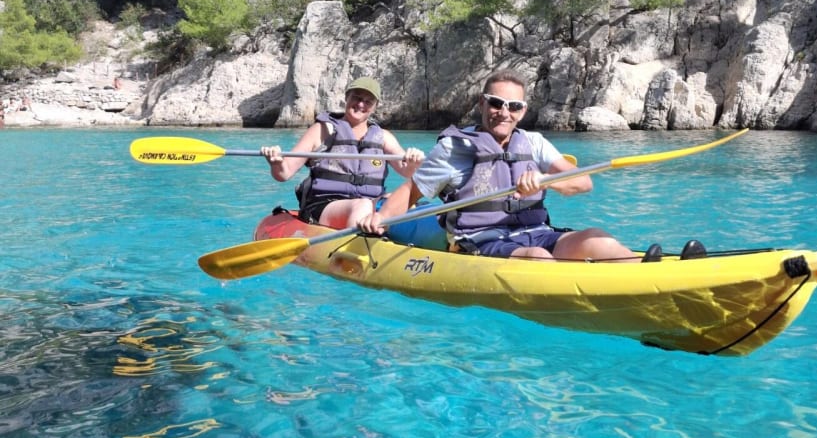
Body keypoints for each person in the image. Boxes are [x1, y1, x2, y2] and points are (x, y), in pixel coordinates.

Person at [360, 70, 706, 262]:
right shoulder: (455, 148)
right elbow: (411, 191)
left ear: (522, 111)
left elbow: (584, 184)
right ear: (482, 103)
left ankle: (644, 273)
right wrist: (381, 220)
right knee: (537, 257)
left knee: (597, 239)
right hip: (480, 240)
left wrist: (546, 182)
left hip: (535, 231)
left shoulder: (534, 143)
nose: (503, 112)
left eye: (513, 106)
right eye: (495, 103)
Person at [261, 77, 425, 229]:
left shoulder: (383, 137)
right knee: (362, 205)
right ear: (347, 98)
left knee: (406, 201)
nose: (361, 104)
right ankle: (363, 248)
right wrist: (276, 162)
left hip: (369, 202)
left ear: (374, 107)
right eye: (357, 98)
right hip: (325, 205)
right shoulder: (322, 130)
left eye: (368, 101)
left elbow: (406, 171)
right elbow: (284, 173)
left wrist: (412, 163)